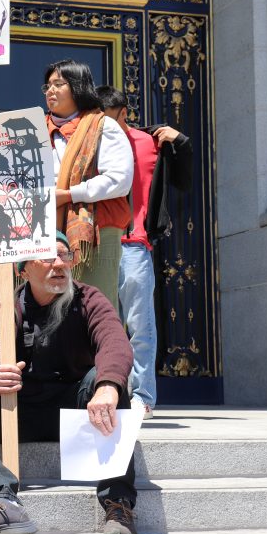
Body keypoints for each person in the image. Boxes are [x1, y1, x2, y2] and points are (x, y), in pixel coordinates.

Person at [0, 232, 138, 534]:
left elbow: (115, 344)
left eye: (65, 255)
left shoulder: (89, 299)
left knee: (106, 380)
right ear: (23, 270)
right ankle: (2, 502)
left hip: (76, 410)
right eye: (47, 257)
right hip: (19, 413)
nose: (59, 264)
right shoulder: (3, 310)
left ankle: (119, 507)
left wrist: (106, 387)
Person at [97, 86, 193, 419]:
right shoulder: (89, 141)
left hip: (135, 244)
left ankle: (142, 395)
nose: (102, 126)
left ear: (123, 114)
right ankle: (101, 391)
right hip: (97, 243)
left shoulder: (149, 142)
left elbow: (184, 180)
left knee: (140, 324)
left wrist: (180, 141)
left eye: (107, 119)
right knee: (97, 324)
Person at [45, 59, 133, 310]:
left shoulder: (103, 126)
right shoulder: (34, 129)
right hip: (47, 230)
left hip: (96, 232)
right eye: (47, 85)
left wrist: (68, 195)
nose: (50, 90)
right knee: (50, 310)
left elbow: (119, 180)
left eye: (58, 84)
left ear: (78, 87)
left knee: (95, 308)